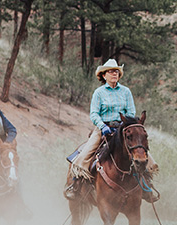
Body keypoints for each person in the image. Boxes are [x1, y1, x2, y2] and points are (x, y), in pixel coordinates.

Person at [64, 58, 158, 202]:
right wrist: (103, 126)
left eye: (116, 72)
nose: (114, 74)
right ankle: (75, 185)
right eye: (111, 71)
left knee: (143, 154)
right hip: (103, 128)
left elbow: (131, 112)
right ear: (103, 75)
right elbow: (94, 113)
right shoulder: (99, 93)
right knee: (84, 153)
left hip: (124, 129)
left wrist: (125, 125)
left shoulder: (126, 92)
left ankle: (147, 185)